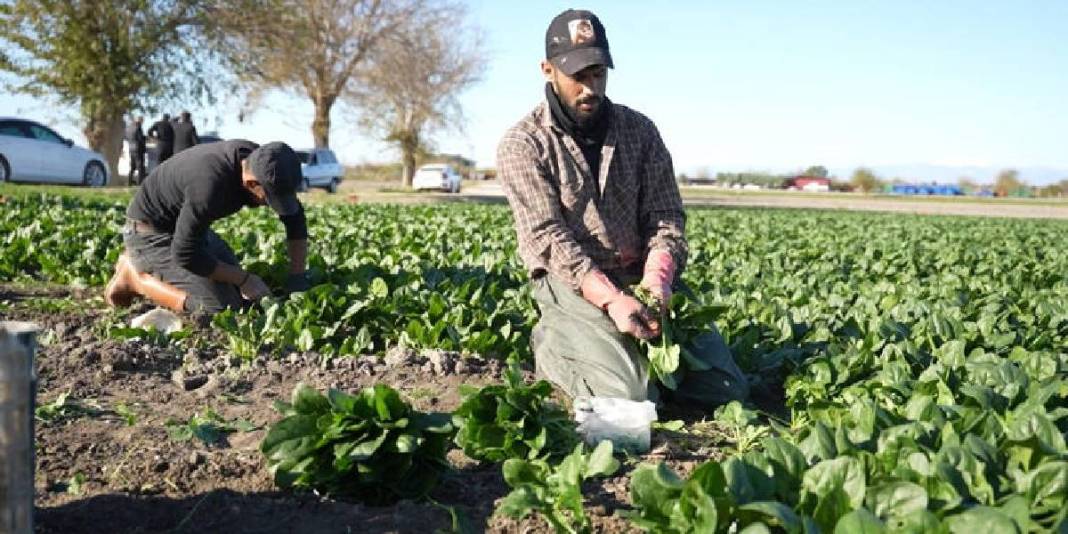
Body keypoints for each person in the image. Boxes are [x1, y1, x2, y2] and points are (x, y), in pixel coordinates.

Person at [496, 9, 748, 410]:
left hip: (637, 274)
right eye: (578, 76)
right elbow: (547, 237)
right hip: (572, 281)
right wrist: (612, 300)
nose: (590, 87)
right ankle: (555, 342)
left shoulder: (640, 131)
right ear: (548, 70)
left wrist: (657, 278)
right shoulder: (524, 145)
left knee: (727, 393)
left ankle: (620, 355)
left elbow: (666, 216)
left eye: (598, 73)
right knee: (627, 398)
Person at [103, 140, 311, 315]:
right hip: (150, 234)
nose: (271, 205)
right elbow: (185, 254)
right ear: (250, 183)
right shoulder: (209, 185)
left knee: (237, 292)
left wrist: (297, 277)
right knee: (220, 308)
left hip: (189, 229)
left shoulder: (264, 162)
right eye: (269, 199)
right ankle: (134, 278)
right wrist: (244, 278)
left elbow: (294, 218)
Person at [124, 116, 147, 185]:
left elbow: (126, 137)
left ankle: (129, 181)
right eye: (142, 121)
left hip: (131, 148)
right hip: (138, 149)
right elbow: (140, 139)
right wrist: (145, 139)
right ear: (140, 120)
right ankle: (140, 182)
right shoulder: (138, 127)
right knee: (140, 167)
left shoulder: (129, 127)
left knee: (132, 166)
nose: (143, 123)